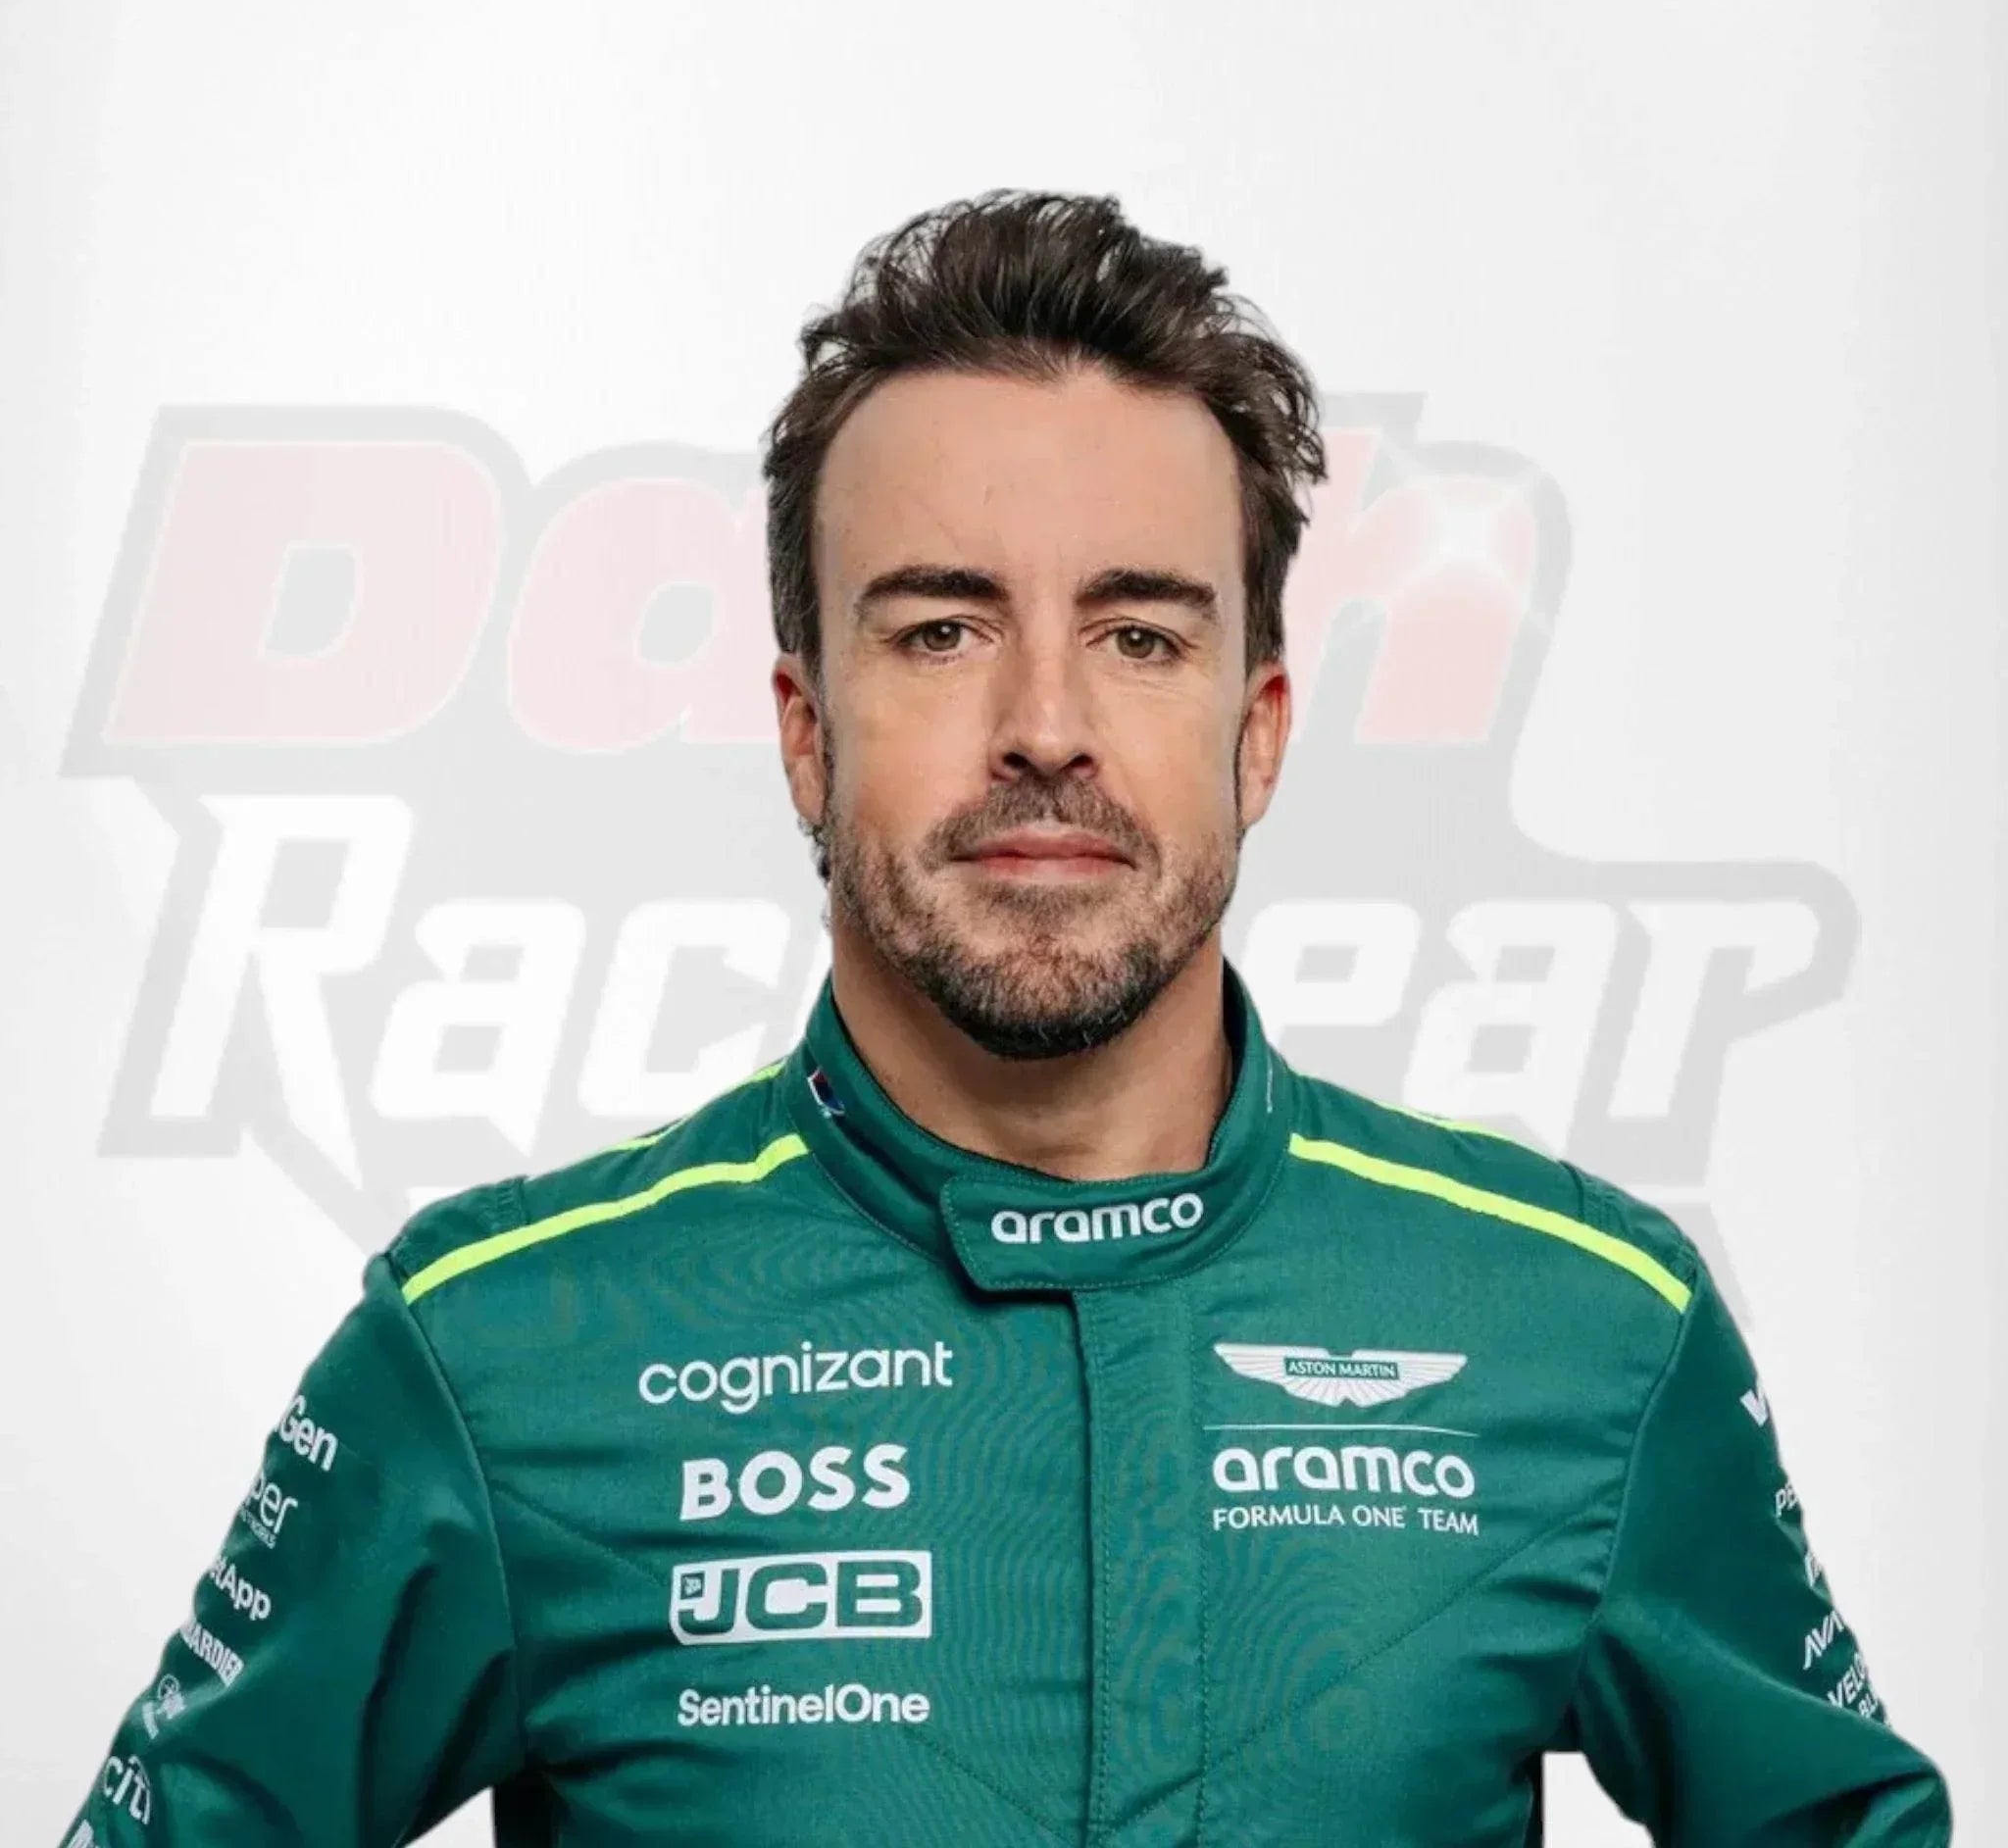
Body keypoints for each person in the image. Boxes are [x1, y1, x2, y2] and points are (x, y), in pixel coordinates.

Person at [59, 190, 1951, 1847]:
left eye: (1140, 635)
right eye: (942, 629)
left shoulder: (1586, 1327)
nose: (1046, 726)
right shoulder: (494, 1352)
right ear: (807, 731)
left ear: (1258, 732)